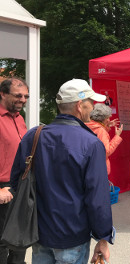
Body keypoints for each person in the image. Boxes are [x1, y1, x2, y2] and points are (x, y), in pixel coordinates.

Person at [10, 79, 115, 263]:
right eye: (91, 103)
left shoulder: (33, 136)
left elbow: (16, 181)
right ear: (79, 105)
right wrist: (103, 237)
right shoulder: (91, 143)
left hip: (40, 232)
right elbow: (97, 198)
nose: (92, 108)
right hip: (73, 234)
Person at [0, 77, 29, 264]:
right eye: (18, 95)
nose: (23, 99)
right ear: (2, 94)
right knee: (2, 242)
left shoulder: (20, 118)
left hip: (20, 186)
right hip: (2, 189)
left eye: (26, 96)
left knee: (20, 239)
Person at [86, 103, 123, 176]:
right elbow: (106, 151)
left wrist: (106, 126)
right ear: (102, 119)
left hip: (89, 165)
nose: (109, 120)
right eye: (108, 118)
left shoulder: (87, 125)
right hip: (99, 167)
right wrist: (117, 136)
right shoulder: (101, 131)